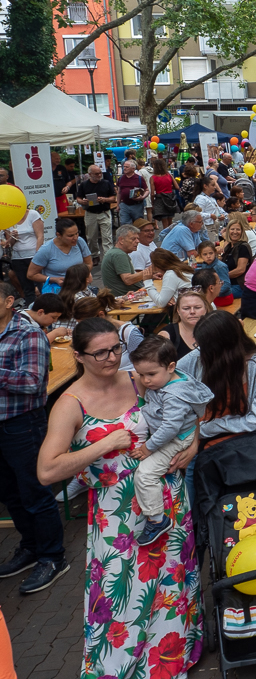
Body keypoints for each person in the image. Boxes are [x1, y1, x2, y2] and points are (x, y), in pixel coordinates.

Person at [36, 318, 202, 673]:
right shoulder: (70, 404)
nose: (111, 358)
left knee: (171, 584)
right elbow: (47, 470)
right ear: (78, 355)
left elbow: (186, 403)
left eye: (116, 348)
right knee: (120, 596)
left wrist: (194, 442)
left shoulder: (137, 378)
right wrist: (105, 445)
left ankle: (171, 661)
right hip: (116, 514)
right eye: (100, 353)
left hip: (165, 497)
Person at [0, 281, 66, 594]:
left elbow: (31, 382)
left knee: (35, 491)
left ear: (9, 301)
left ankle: (53, 557)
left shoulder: (29, 333)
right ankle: (29, 548)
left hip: (22, 424)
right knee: (10, 493)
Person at [127, 336, 214, 545]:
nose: (145, 381)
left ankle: (157, 519)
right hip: (176, 435)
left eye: (151, 374)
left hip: (175, 440)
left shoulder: (174, 395)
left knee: (145, 474)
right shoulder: (172, 379)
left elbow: (169, 428)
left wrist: (148, 448)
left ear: (171, 366)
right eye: (141, 375)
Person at [178, 310, 256, 445]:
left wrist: (206, 428)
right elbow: (169, 375)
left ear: (223, 347)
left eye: (204, 346)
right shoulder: (199, 356)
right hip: (197, 440)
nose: (199, 350)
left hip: (241, 442)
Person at [27, 217, 93, 293]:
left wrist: (85, 273)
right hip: (59, 290)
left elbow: (88, 263)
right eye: (70, 236)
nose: (75, 238)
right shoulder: (46, 250)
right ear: (58, 235)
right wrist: (53, 279)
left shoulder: (80, 242)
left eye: (77, 233)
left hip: (79, 287)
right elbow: (31, 274)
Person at [2, 192, 44, 305]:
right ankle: (31, 310)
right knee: (27, 288)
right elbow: (9, 244)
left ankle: (47, 309)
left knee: (41, 286)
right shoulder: (10, 218)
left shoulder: (33, 214)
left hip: (33, 256)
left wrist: (38, 254)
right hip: (18, 258)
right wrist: (13, 238)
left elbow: (40, 236)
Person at [75, 164, 116, 260]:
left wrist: (105, 199)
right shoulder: (84, 185)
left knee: (107, 237)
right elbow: (78, 198)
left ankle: (108, 257)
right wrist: (82, 201)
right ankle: (94, 255)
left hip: (104, 212)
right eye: (97, 173)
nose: (99, 175)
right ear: (90, 174)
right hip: (90, 213)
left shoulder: (106, 183)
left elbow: (113, 198)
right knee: (91, 237)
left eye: (100, 173)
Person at [99, 225, 152, 296]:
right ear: (121, 240)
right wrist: (151, 270)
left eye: (137, 238)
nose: (137, 241)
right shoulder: (119, 254)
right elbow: (128, 280)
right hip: (125, 299)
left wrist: (151, 275)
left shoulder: (115, 252)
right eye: (133, 239)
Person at [158, 288, 209, 360]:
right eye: (186, 308)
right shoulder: (167, 335)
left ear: (206, 309)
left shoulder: (215, 330)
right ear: (178, 311)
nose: (192, 311)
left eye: (197, 307)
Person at [217, 219, 253, 298]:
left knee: (213, 295)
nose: (235, 232)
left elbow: (240, 270)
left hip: (238, 286)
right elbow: (219, 264)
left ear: (242, 232)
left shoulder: (243, 247)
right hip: (227, 284)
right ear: (228, 231)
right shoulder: (229, 246)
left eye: (238, 229)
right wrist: (215, 253)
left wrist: (222, 277)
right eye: (232, 229)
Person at [116, 159, 147, 224]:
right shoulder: (121, 178)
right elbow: (119, 192)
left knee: (138, 224)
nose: (124, 168)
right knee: (124, 224)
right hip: (124, 205)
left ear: (133, 169)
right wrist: (118, 205)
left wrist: (143, 197)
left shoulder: (139, 178)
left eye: (127, 167)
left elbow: (147, 190)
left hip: (137, 205)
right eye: (124, 167)